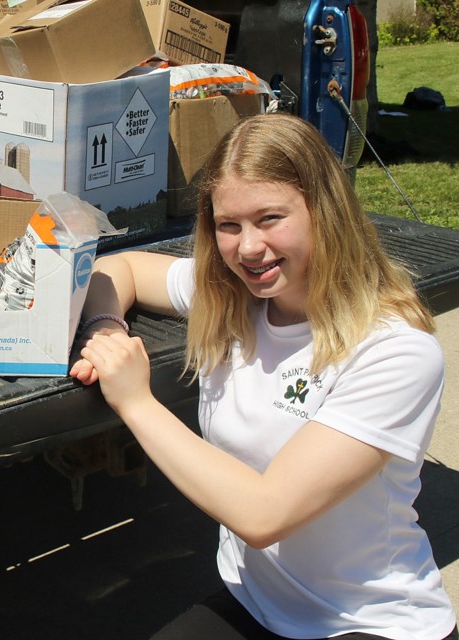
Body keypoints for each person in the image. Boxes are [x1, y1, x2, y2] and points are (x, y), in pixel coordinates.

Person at [71, 113, 458, 639]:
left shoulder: (395, 351)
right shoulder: (233, 298)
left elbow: (263, 514)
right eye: (229, 225)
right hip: (256, 606)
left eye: (270, 218)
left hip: (368, 624)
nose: (248, 247)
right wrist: (108, 330)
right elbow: (123, 270)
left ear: (324, 211)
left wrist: (137, 402)